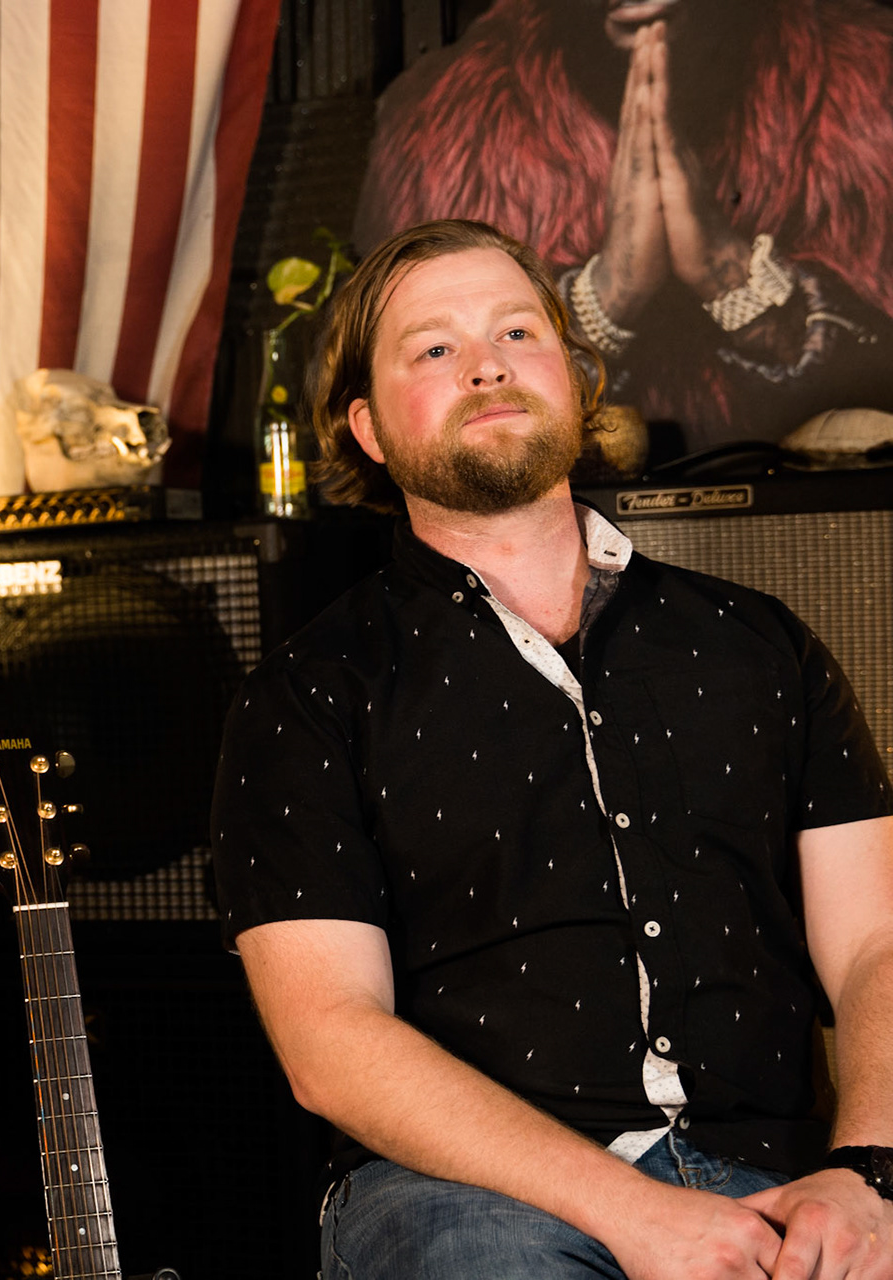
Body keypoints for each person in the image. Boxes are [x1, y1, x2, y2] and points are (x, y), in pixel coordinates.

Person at [211, 218, 893, 1279]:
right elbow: (330, 1039)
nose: (486, 364)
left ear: (574, 381)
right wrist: (640, 1215)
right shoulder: (307, 694)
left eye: (517, 332)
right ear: (369, 429)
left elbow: (875, 945)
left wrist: (867, 1173)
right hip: (464, 1199)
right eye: (434, 347)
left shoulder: (761, 645)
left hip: (778, 1170)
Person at [355, 1, 893, 454]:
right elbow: (427, 423)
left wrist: (732, 280)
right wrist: (606, 297)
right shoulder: (435, 125)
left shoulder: (874, 79)